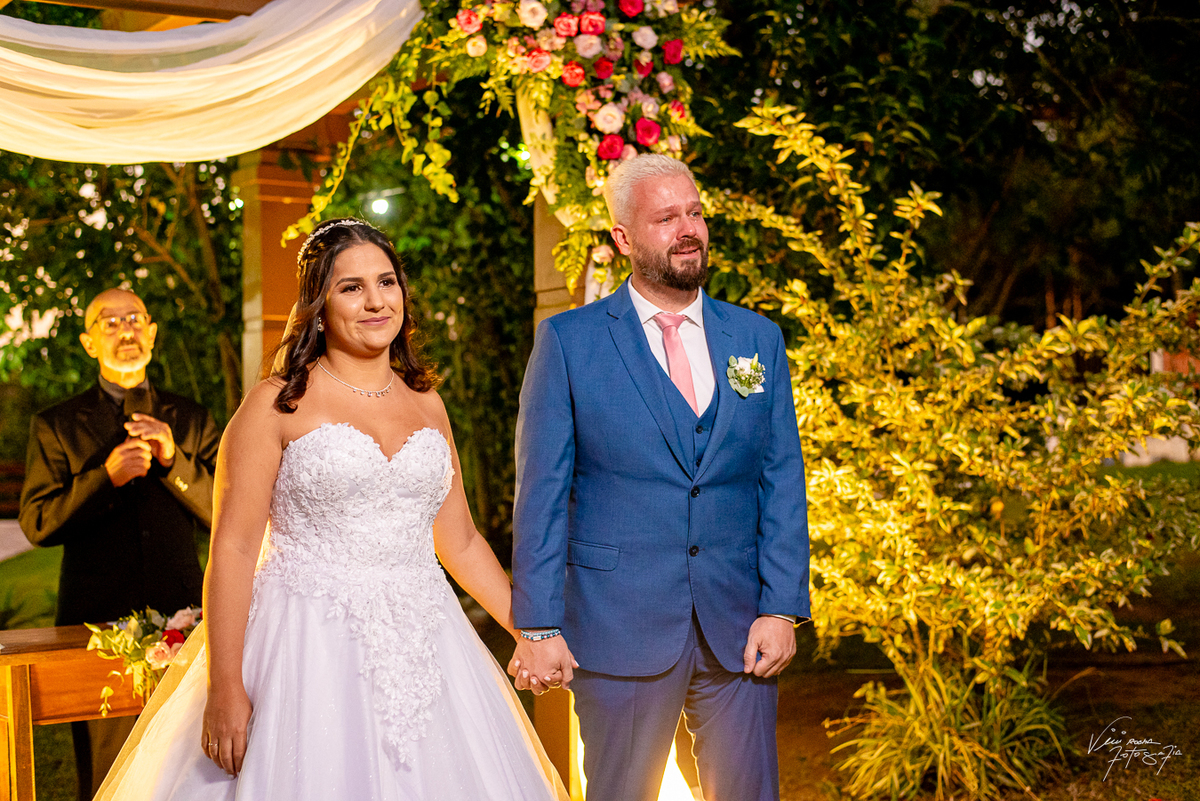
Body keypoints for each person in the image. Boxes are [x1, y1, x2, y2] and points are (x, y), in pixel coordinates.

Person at [93, 218, 567, 801]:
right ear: (318, 305)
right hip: (306, 649)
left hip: (427, 645)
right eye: (351, 287)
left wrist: (532, 632)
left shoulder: (427, 403)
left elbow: (461, 541)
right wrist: (225, 686)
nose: (376, 301)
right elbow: (234, 551)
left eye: (386, 282)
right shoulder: (275, 405)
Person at [509, 154, 810, 801]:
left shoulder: (756, 339)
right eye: (666, 218)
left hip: (740, 630)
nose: (688, 229)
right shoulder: (569, 342)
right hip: (617, 623)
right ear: (623, 238)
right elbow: (541, 496)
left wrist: (780, 606)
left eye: (695, 213)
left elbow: (781, 475)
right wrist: (537, 625)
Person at [19, 288, 218, 800]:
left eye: (134, 319)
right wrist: (103, 478)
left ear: (151, 332)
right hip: (95, 625)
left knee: (187, 771)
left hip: (186, 622)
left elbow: (227, 511)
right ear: (89, 342)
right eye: (109, 322)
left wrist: (175, 463)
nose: (125, 329)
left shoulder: (191, 419)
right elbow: (37, 523)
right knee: (107, 774)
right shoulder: (57, 425)